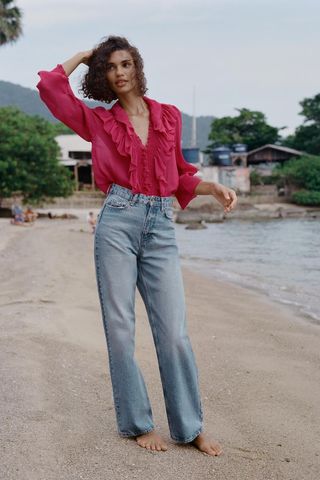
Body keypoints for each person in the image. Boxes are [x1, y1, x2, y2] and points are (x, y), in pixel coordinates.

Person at [36, 35, 237, 455]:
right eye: (110, 67)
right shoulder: (99, 121)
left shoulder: (169, 116)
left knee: (175, 333)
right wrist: (84, 55)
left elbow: (178, 176)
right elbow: (52, 90)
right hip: (118, 221)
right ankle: (138, 423)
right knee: (121, 329)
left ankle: (189, 427)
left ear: (137, 67)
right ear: (102, 76)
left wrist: (210, 188)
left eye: (125, 64)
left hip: (161, 225)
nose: (119, 72)